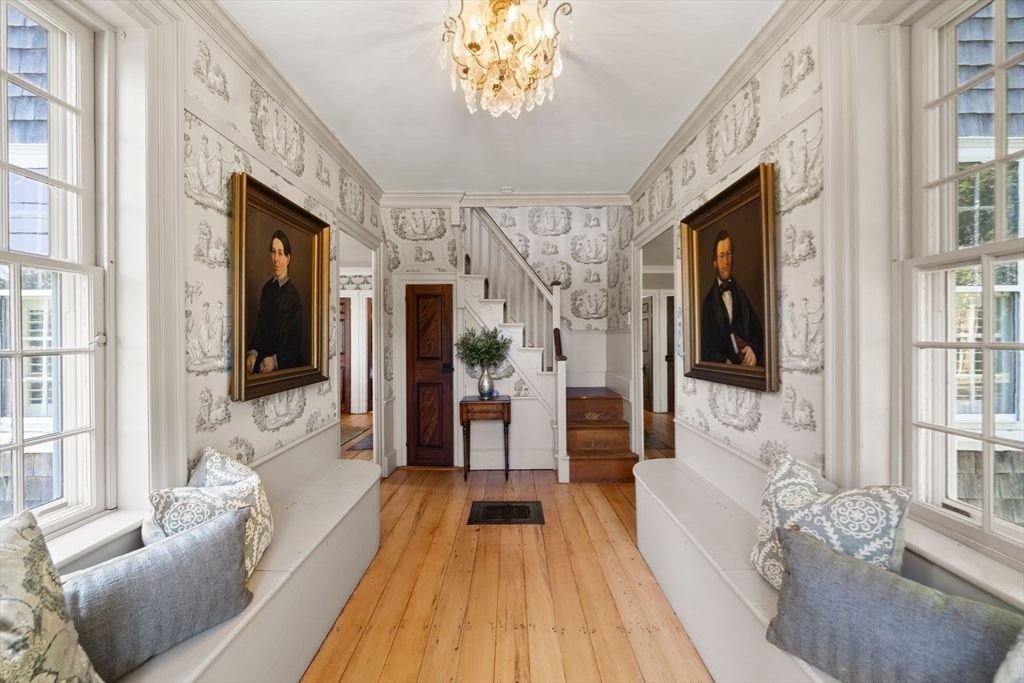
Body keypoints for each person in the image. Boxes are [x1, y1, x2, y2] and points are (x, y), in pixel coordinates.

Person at [700, 230, 764, 367]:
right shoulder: (708, 303)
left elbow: (758, 331)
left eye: (729, 254)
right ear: (715, 262)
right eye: (722, 256)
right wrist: (724, 362)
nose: (726, 261)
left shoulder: (742, 295)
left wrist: (753, 350)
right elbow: (705, 348)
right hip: (724, 373)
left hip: (747, 370)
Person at [246, 230, 304, 373]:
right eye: (273, 252)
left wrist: (275, 361)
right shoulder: (267, 288)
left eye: (280, 253)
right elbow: (260, 327)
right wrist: (253, 352)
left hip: (284, 368)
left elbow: (294, 345)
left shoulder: (293, 297)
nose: (276, 259)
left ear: (288, 259)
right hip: (263, 362)